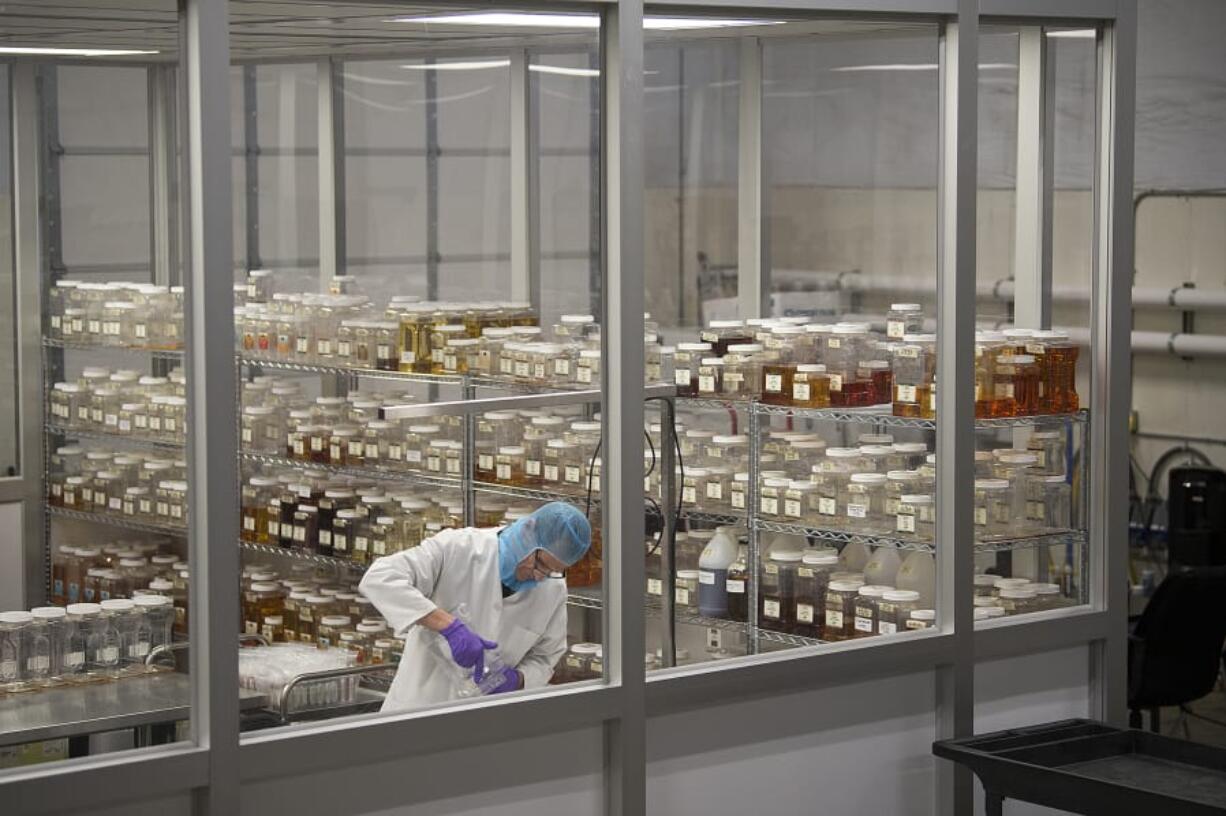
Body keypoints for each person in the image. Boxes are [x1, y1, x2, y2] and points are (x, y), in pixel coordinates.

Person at [359, 501, 591, 711]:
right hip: (419, 709)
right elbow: (380, 577)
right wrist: (448, 627)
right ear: (527, 532)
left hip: (488, 724)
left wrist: (519, 680)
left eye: (552, 571)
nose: (541, 577)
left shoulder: (553, 588)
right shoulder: (458, 548)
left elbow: (545, 657)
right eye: (540, 564)